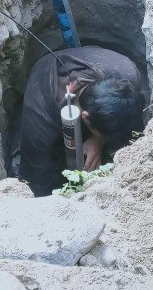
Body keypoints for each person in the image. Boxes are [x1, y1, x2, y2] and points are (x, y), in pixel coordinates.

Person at [19, 45, 144, 197]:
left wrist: (98, 141)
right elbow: (35, 182)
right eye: (104, 135)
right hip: (43, 81)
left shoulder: (127, 73)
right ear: (86, 117)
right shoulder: (39, 124)